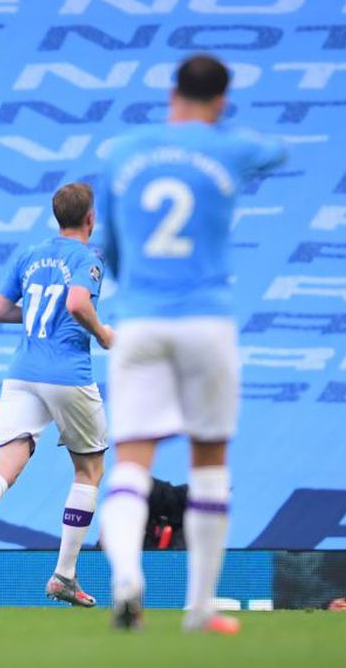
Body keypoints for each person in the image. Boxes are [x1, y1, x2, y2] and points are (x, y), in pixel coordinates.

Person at [95, 54, 287, 633]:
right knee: (208, 461)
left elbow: (113, 248)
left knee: (131, 459)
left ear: (170, 92)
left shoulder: (122, 151)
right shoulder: (229, 148)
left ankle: (126, 574)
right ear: (222, 101)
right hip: (207, 320)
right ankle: (200, 607)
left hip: (140, 320)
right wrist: (216, 133)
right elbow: (276, 151)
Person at [0, 183, 114, 608]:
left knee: (2, 468)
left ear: (56, 216)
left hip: (21, 373)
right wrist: (103, 332)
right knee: (89, 471)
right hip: (67, 373)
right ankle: (63, 575)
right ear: (90, 219)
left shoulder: (30, 253)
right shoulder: (87, 258)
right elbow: (78, 303)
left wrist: (41, 313)